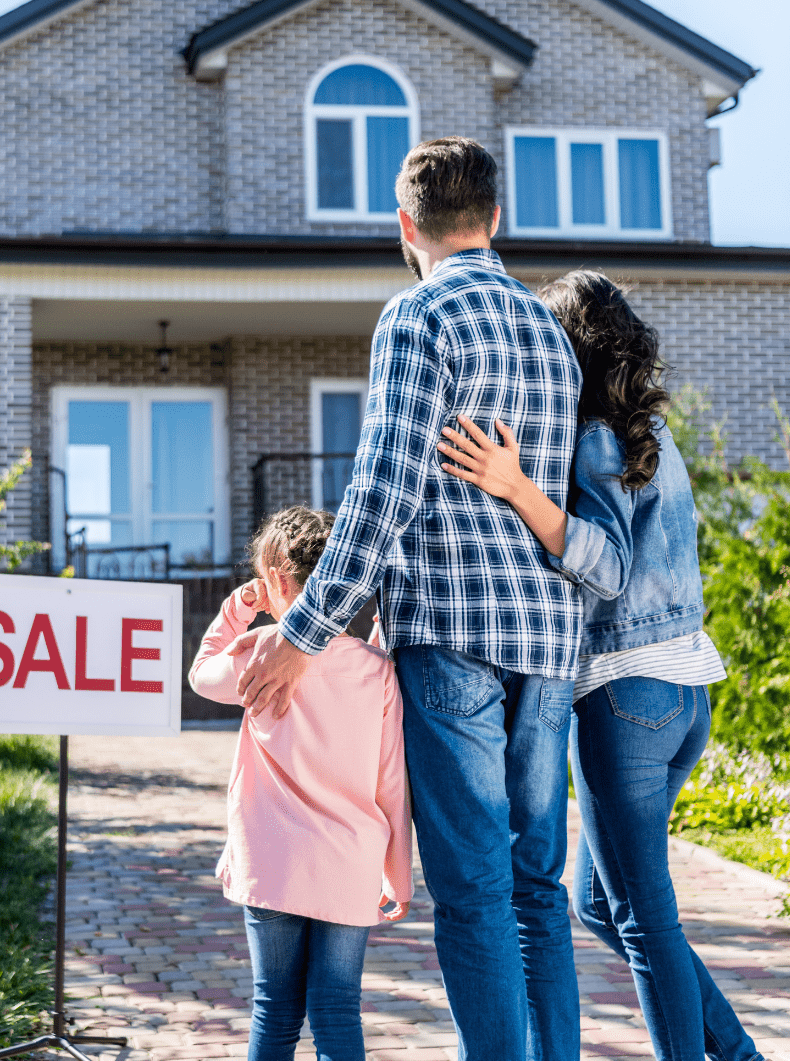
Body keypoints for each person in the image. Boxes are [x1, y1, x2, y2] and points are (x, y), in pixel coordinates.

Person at [234, 138, 584, 1060]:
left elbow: (383, 488)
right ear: (495, 218)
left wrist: (302, 631)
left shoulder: (418, 314)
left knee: (474, 895)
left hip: (455, 641)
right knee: (537, 892)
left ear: (406, 226)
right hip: (548, 643)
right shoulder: (553, 333)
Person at [437, 269, 763, 1061]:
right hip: (684, 698)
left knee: (648, 922)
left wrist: (516, 488)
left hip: (625, 699)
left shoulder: (593, 440)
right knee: (595, 904)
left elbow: (609, 567)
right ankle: (738, 1051)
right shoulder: (657, 435)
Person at [188, 505, 413, 1061]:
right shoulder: (376, 669)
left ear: (276, 580)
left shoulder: (258, 652)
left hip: (273, 858)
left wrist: (238, 609)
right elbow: (391, 785)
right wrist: (398, 876)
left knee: (276, 1008)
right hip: (349, 861)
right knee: (337, 1008)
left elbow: (201, 673)